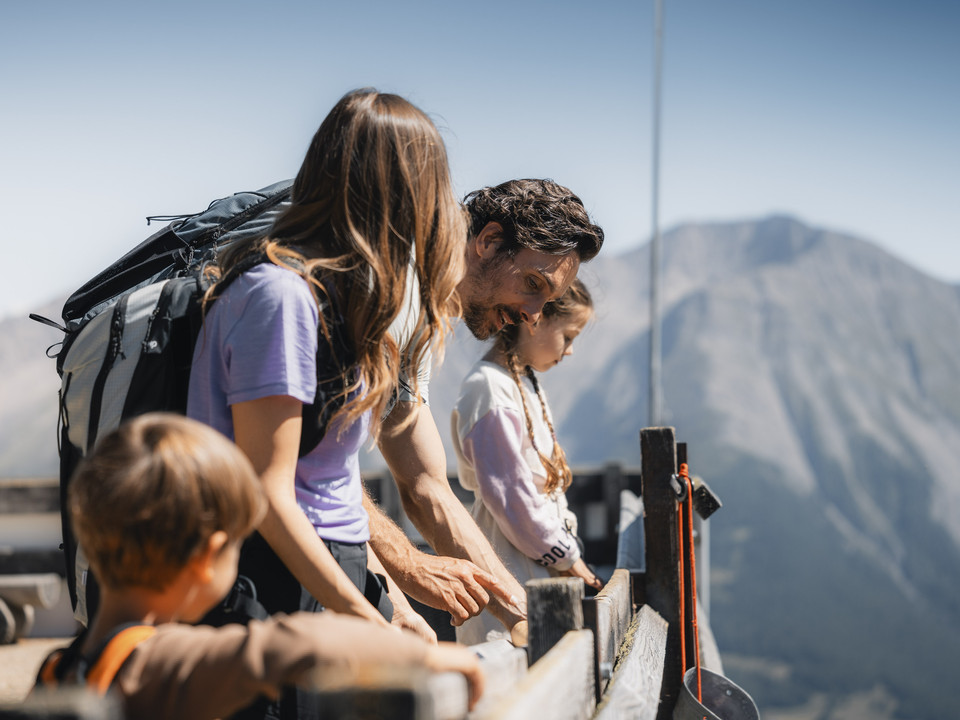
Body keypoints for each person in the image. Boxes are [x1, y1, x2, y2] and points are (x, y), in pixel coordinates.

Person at [187, 88, 503, 649]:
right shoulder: (280, 298)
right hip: (273, 585)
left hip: (326, 574)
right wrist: (365, 617)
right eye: (434, 189)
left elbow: (328, 480)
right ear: (402, 194)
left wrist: (389, 601)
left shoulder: (339, 302)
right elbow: (268, 492)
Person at [34, 413, 484, 720]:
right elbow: (297, 644)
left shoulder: (58, 669)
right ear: (208, 558)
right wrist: (420, 655)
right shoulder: (156, 665)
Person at [366, 179, 605, 640]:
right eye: (533, 284)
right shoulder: (389, 293)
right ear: (489, 240)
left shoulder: (419, 322)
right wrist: (405, 575)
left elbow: (426, 487)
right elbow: (309, 467)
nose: (534, 315)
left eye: (548, 301)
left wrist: (520, 615)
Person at [450, 279, 601, 644]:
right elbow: (511, 496)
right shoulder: (489, 389)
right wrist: (568, 559)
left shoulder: (522, 381)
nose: (569, 351)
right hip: (509, 563)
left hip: (534, 563)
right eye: (569, 336)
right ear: (535, 320)